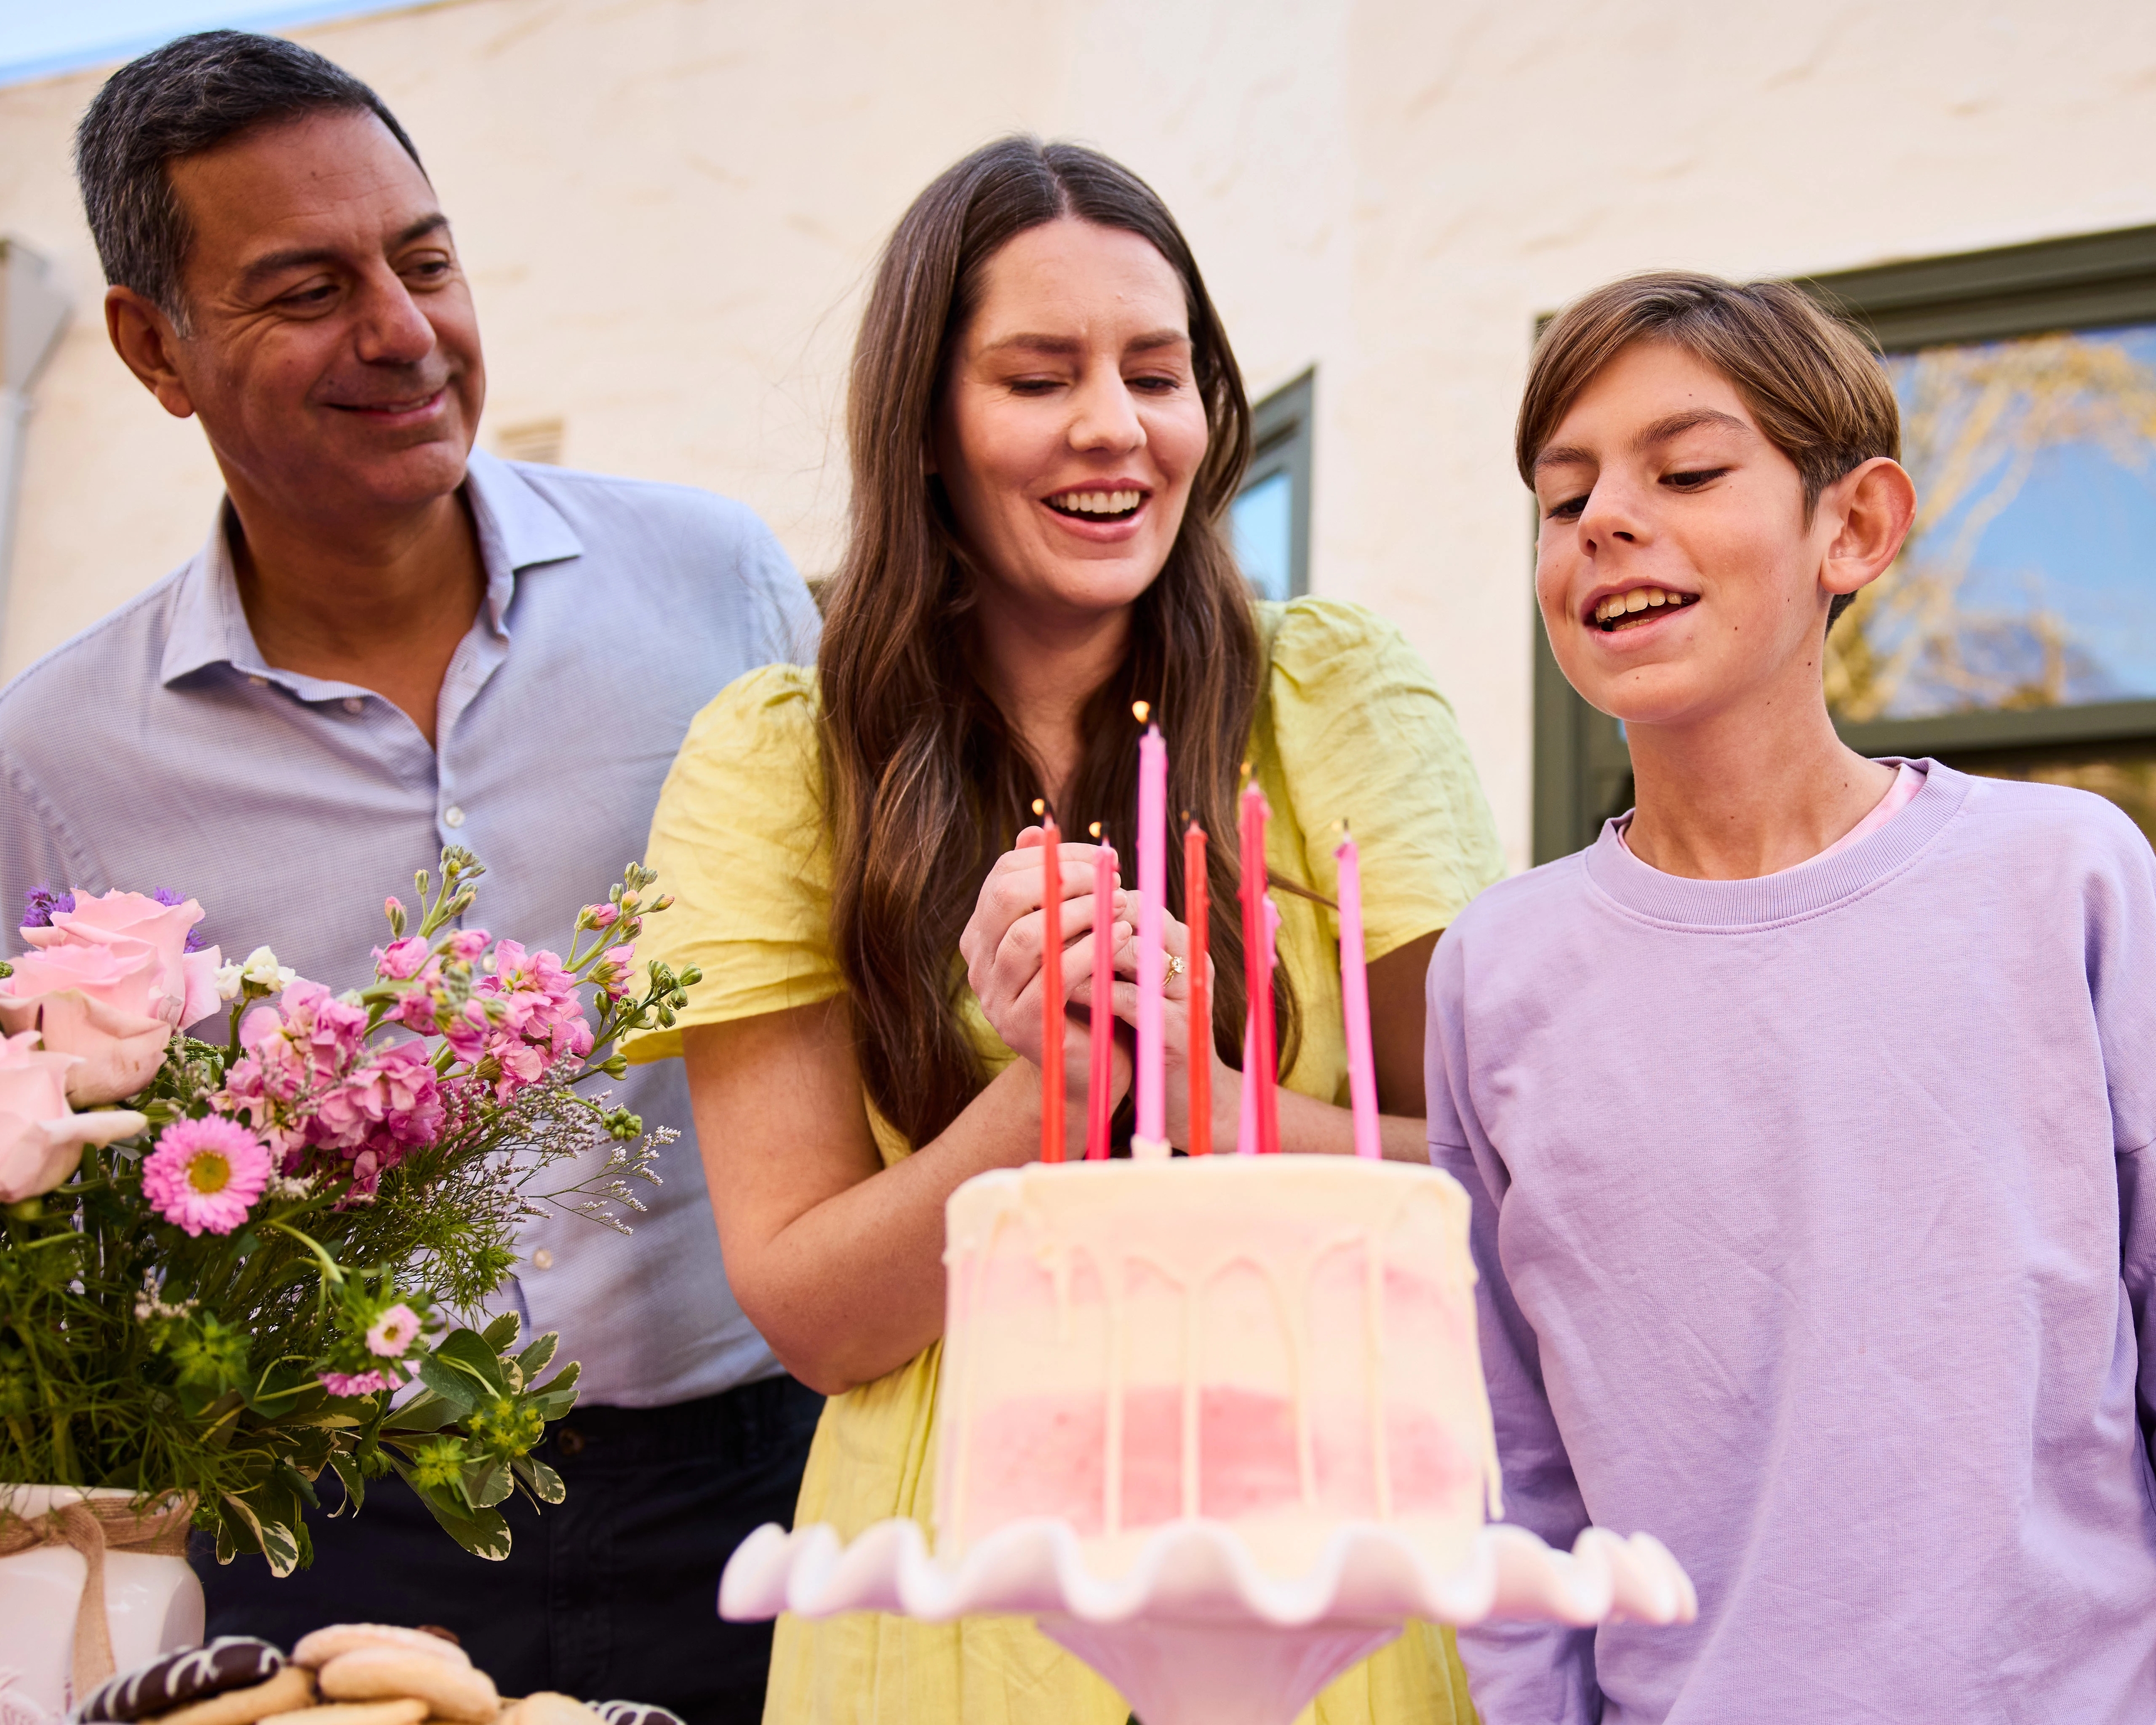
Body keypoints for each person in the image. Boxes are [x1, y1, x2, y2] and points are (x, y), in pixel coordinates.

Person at [625, 136, 1505, 1724]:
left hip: (1322, 1570)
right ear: (928, 430)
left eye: (1156, 372)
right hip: (953, 1589)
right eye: (1039, 376)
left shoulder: (1334, 696)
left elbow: (1490, 1190)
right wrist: (1047, 1095)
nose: (1117, 426)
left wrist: (1193, 1099)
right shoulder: (778, 759)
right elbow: (818, 1319)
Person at [0, 32, 822, 1722]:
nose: (402, 331)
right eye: (306, 288)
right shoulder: (50, 759)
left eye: (425, 260)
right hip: (332, 1549)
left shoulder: (718, 587)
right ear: (155, 350)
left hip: (752, 1493)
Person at [1426, 271, 2156, 1722]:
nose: (1605, 523)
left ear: (1856, 525)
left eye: (1686, 470)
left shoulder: (2066, 879)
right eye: (1562, 500)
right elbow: (1514, 1473)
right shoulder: (1496, 975)